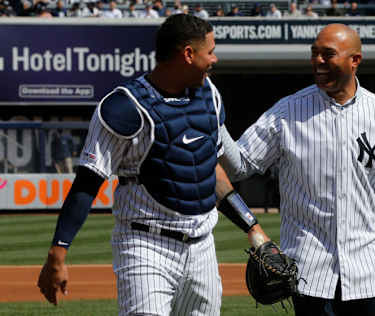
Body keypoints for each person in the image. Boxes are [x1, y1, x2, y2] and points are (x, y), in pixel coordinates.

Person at [37, 14, 271, 316]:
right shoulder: (124, 106)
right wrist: (58, 253)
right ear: (188, 54)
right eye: (210, 50)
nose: (214, 58)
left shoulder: (209, 95)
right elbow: (87, 182)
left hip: (202, 248)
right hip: (146, 244)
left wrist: (253, 228)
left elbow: (207, 170)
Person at [219, 23, 375, 316]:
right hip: (308, 278)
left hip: (366, 276)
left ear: (355, 60)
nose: (318, 62)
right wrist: (212, 119)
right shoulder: (287, 112)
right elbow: (240, 165)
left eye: (328, 54)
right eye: (314, 54)